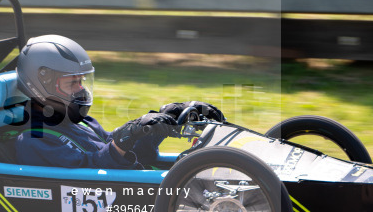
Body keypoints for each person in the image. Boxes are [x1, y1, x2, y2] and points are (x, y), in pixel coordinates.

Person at [13, 34, 222, 169]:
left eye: (81, 81)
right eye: (71, 84)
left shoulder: (80, 122)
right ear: (43, 84)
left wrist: (158, 123)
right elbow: (92, 169)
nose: (81, 90)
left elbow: (112, 148)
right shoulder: (35, 140)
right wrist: (126, 136)